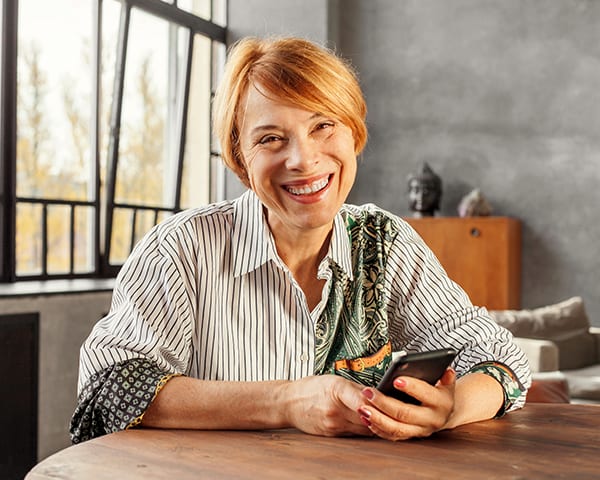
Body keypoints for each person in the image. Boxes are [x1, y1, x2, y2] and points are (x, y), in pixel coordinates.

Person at [70, 36, 530, 443]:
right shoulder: (182, 248)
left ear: (355, 133)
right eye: (271, 138)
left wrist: (451, 409)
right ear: (239, 156)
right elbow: (108, 389)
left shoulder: (385, 244)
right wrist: (288, 402)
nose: (304, 160)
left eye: (323, 125)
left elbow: (502, 357)